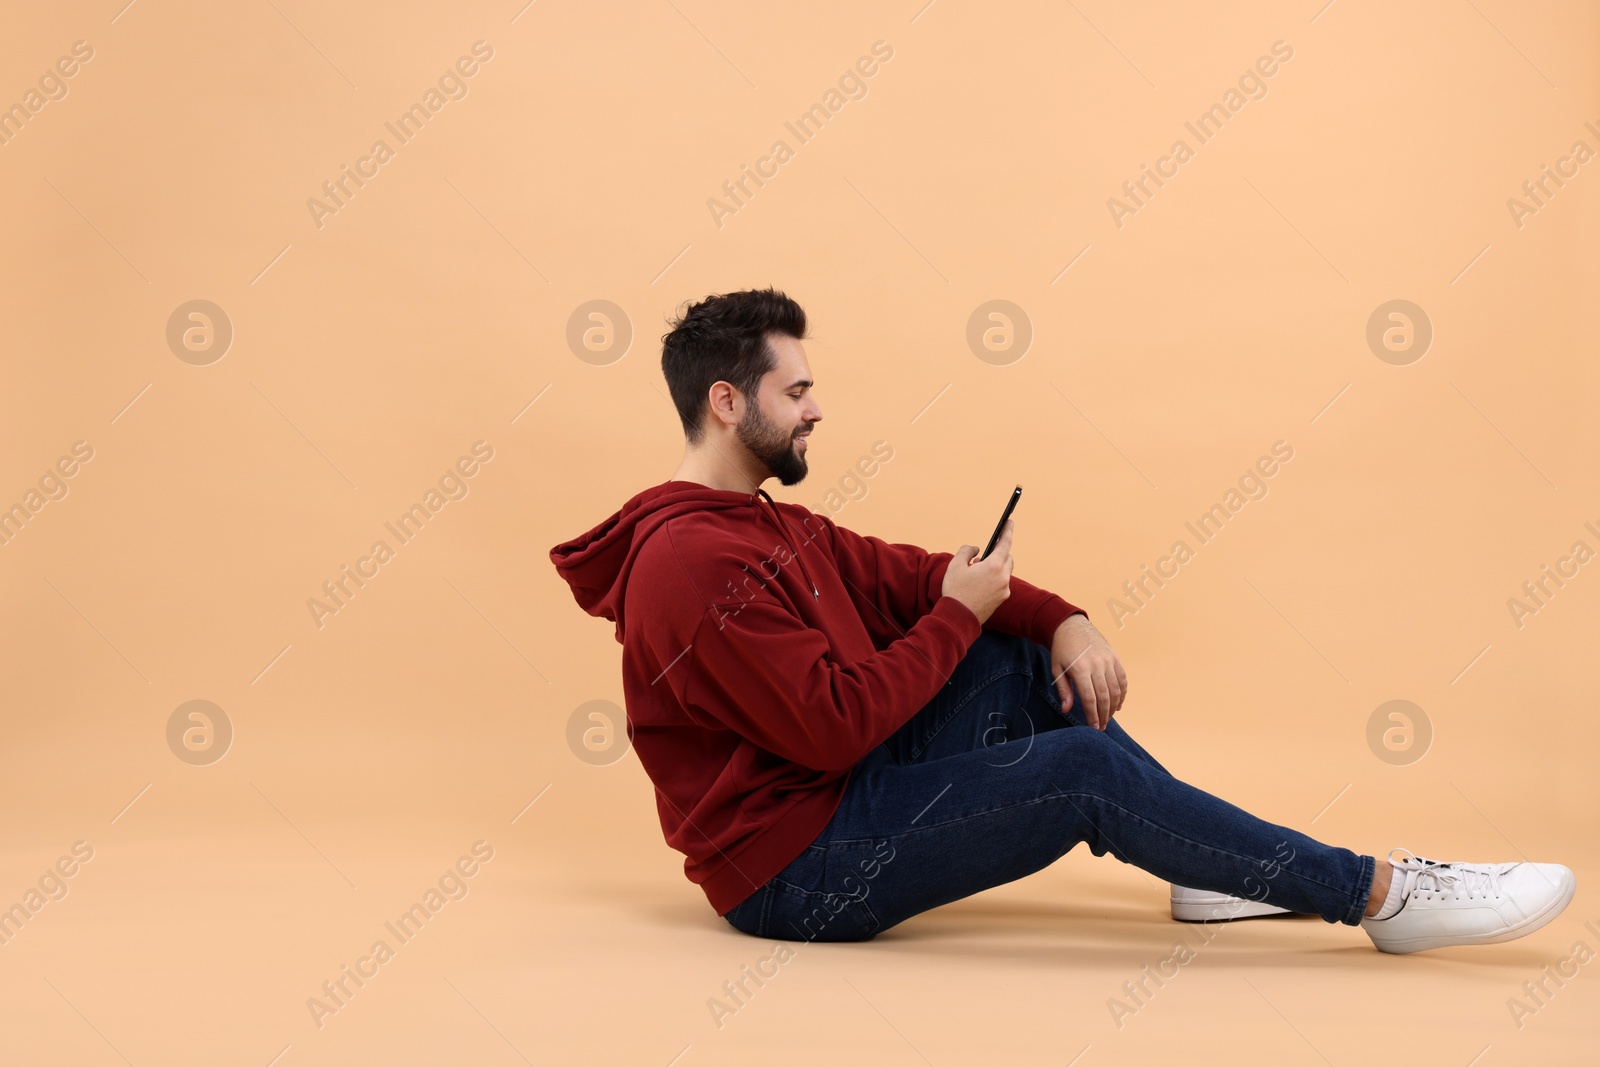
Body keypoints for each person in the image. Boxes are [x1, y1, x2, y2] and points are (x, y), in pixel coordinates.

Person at [548, 287, 1575, 954]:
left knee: (1018, 666)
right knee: (1079, 770)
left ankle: (1207, 867)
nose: (818, 408)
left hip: (836, 790)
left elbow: (915, 578)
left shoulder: (768, 523)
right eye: (798, 389)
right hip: (796, 865)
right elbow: (833, 725)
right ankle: (1380, 894)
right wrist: (958, 615)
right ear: (727, 403)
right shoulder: (688, 564)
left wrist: (1064, 622)